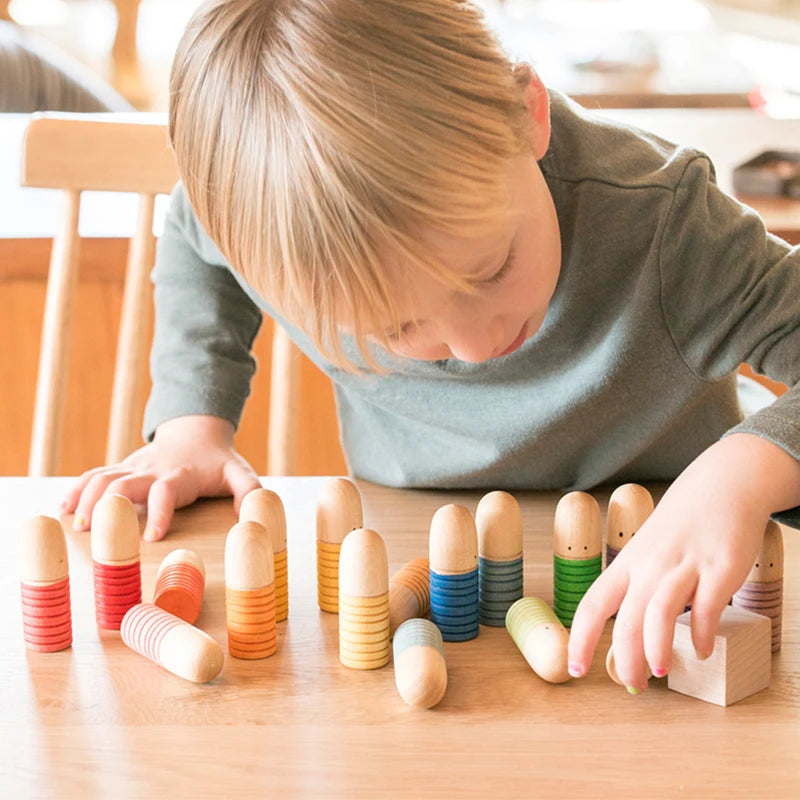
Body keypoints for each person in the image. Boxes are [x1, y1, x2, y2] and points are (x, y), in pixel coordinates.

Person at [62, 0, 800, 694]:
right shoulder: (285, 241)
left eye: (492, 268)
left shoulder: (665, 220)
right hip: (420, 577)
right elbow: (197, 232)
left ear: (530, 114)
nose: (476, 347)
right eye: (397, 329)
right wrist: (194, 423)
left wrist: (743, 471)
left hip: (669, 588)